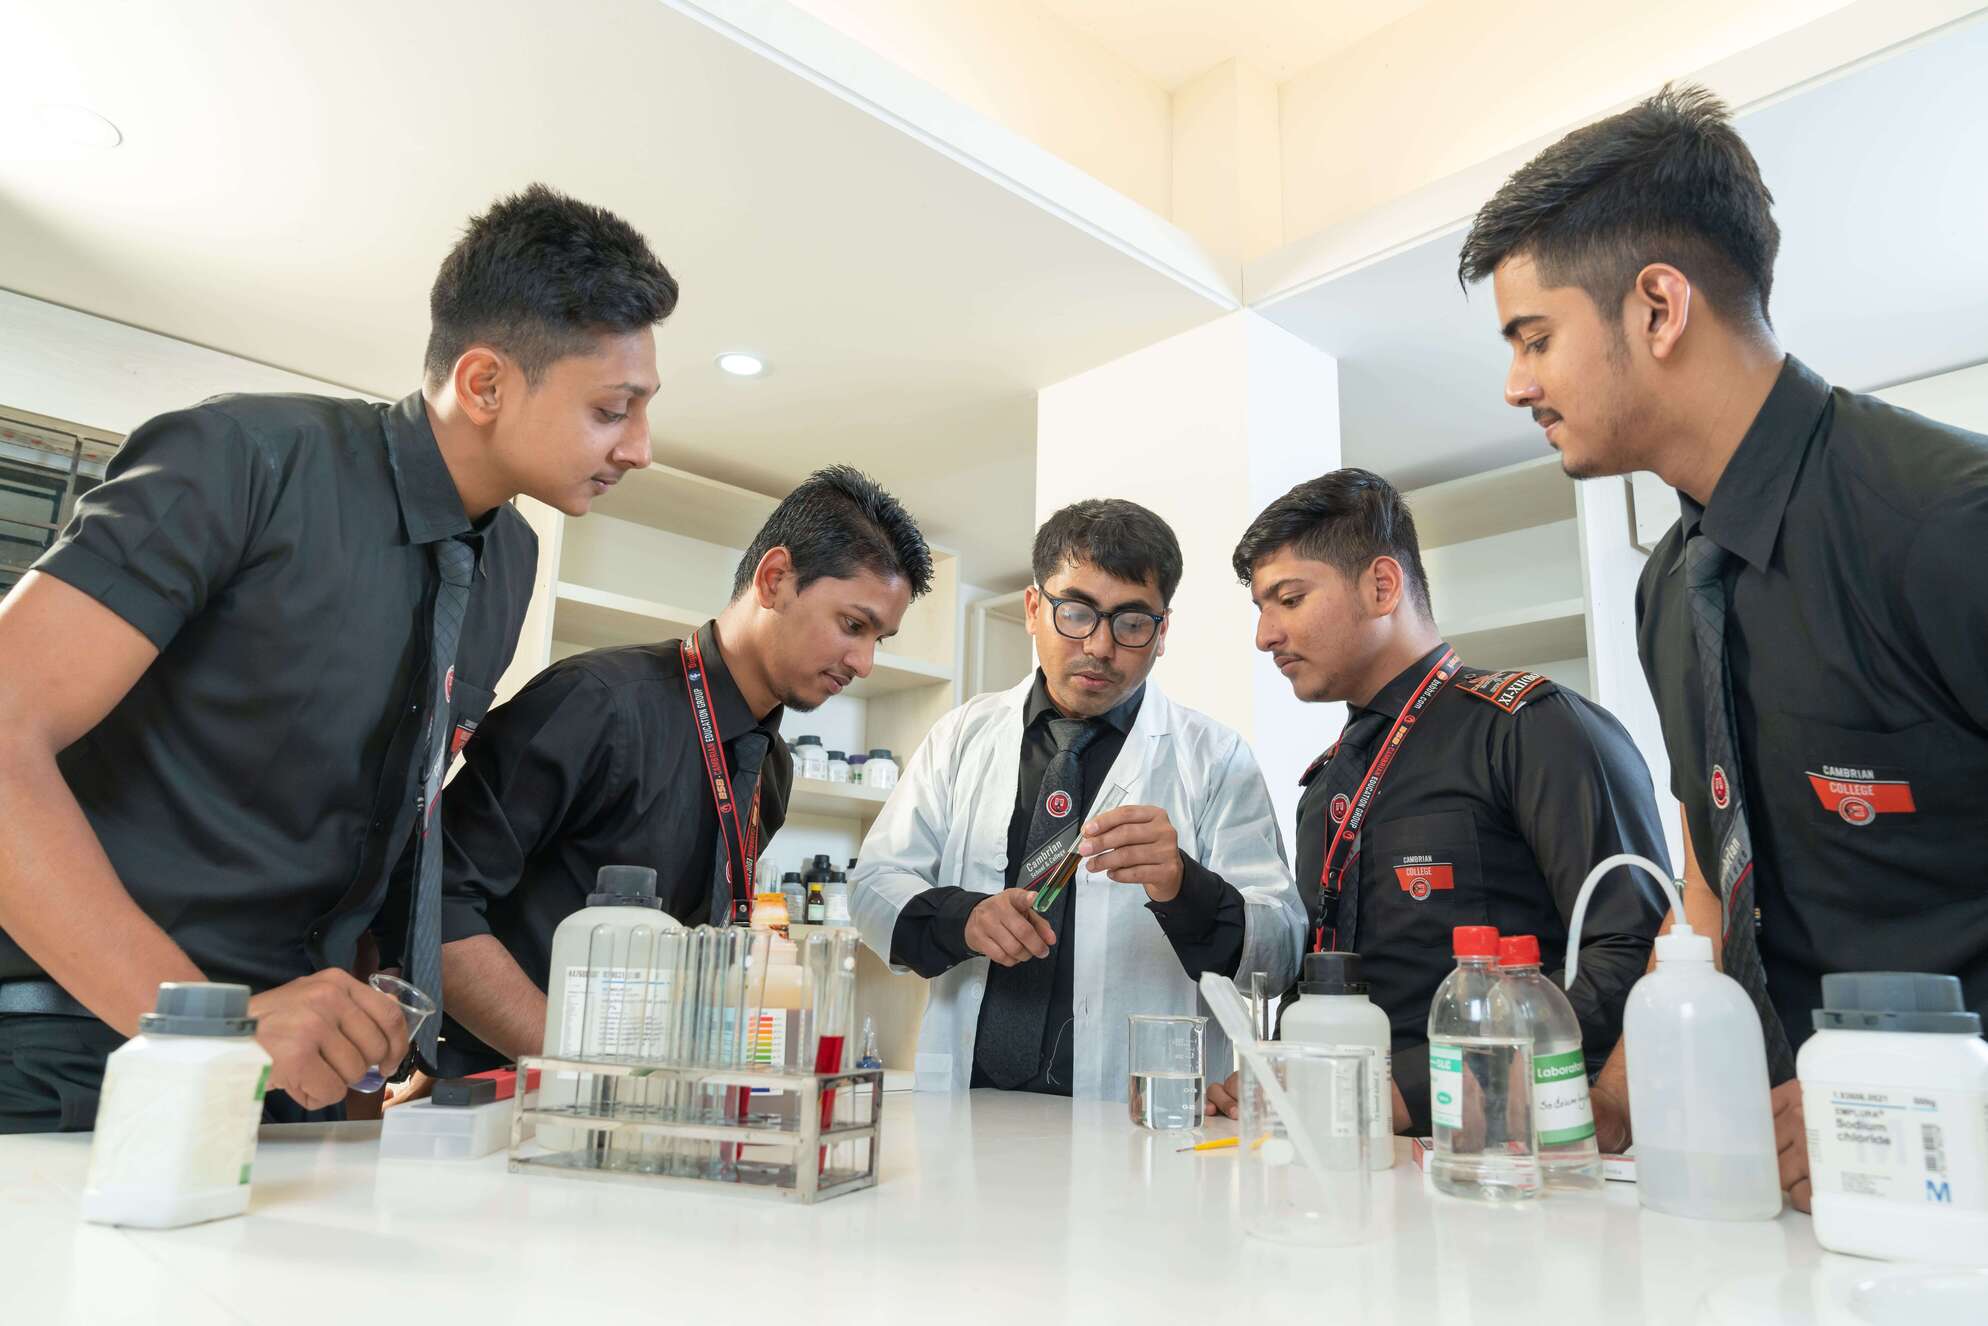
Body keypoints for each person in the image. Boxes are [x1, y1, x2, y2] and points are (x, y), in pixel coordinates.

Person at [0, 184, 677, 1132]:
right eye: (612, 410)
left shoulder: (509, 558)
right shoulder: (242, 458)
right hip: (75, 1048)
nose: (638, 448)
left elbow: (381, 823)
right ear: (484, 383)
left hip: (292, 1073)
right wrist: (208, 1033)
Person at [1457, 83, 1988, 1210]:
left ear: (1657, 307)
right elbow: (1710, 876)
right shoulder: (1669, 587)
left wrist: (1915, 1109)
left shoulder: (1946, 523)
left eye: (1535, 338)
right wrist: (1605, 1102)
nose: (1516, 385)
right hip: (1784, 1200)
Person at [427, 466, 933, 1077]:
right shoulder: (597, 702)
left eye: (881, 638)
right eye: (853, 625)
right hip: (507, 1090)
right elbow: (436, 903)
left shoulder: (771, 768)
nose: (865, 662)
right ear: (774, 579)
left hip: (650, 1096)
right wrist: (575, 1068)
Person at [1205, 469, 1669, 1128]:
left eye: (1290, 598)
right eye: (1261, 608)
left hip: (1503, 1144)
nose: (1266, 635)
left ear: (1382, 586)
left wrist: (1411, 1091)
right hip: (1340, 1139)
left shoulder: (1531, 728)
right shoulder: (1327, 785)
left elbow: (1632, 950)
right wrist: (1281, 1076)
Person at [851, 499, 1303, 1098]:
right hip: (968, 1103)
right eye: (1077, 613)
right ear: (1033, 608)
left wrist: (1185, 886)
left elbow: (1280, 953)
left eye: (1132, 623)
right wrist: (964, 919)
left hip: (1141, 1113)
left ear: (1163, 632)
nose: (1099, 646)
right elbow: (874, 886)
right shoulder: (961, 737)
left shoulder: (1216, 758)